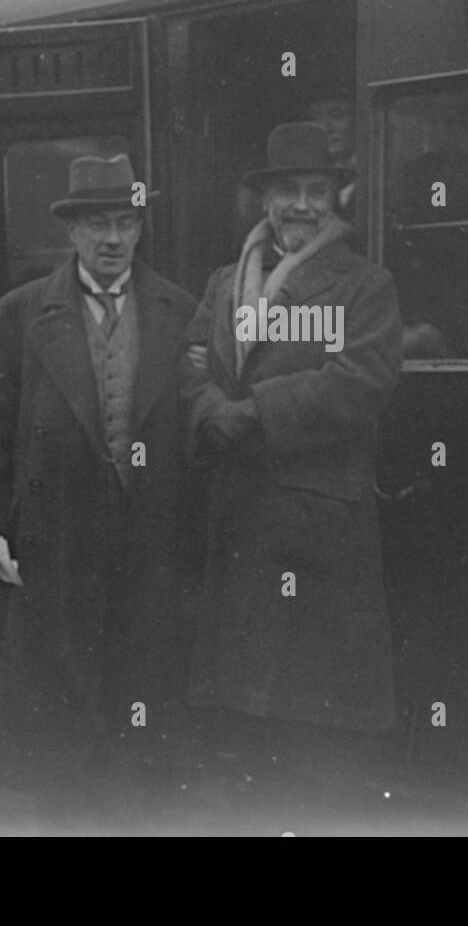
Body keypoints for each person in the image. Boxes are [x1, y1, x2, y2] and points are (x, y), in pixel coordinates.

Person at [0, 154, 197, 822]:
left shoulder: (179, 310)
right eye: (97, 224)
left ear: (141, 227)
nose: (112, 239)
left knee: (140, 725)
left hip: (150, 542)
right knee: (59, 740)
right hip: (54, 539)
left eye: (125, 222)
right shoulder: (21, 312)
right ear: (72, 232)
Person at [180, 122, 403, 819]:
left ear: (335, 199)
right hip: (237, 516)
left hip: (316, 527)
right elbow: (187, 365)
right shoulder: (225, 282)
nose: (300, 206)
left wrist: (248, 414)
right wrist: (206, 404)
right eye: (286, 192)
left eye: (314, 191)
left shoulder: (365, 284)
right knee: (244, 719)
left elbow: (360, 380)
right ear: (264, 202)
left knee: (314, 728)